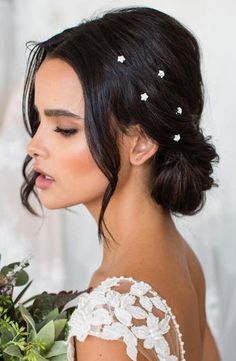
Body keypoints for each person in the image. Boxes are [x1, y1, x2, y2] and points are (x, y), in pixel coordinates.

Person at [21, 6, 221, 361]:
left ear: (141, 143)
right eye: (39, 121)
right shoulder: (182, 260)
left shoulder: (111, 323)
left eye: (64, 129)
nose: (34, 145)